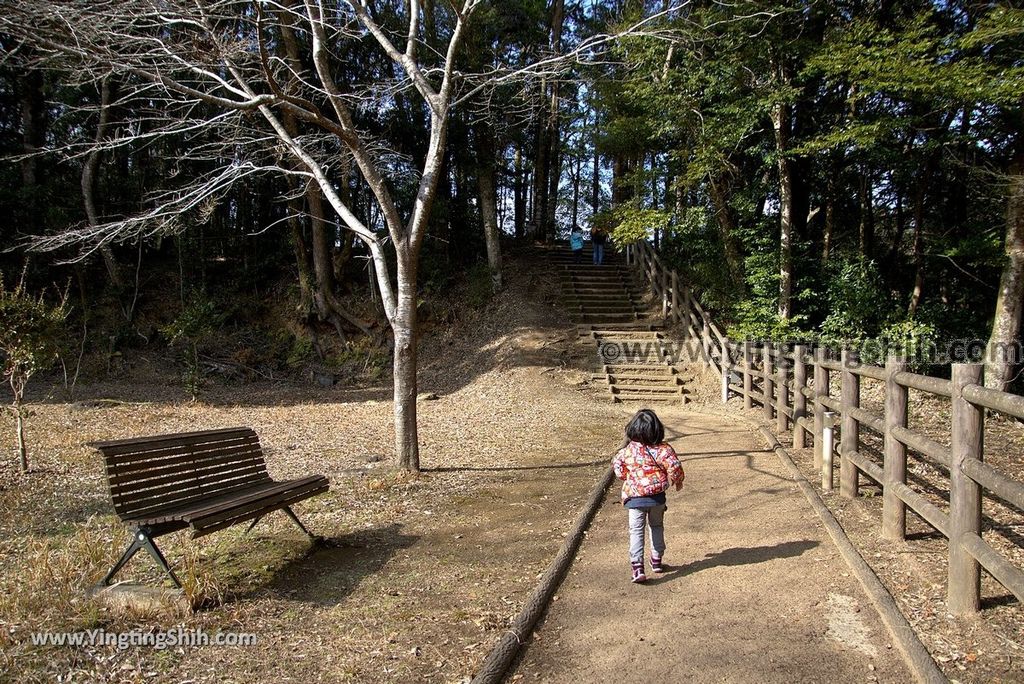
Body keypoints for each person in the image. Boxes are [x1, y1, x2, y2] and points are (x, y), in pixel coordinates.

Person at [612, 409, 685, 583]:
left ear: (633, 429)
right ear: (656, 429)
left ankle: (637, 568)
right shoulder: (663, 449)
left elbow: (618, 467)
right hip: (657, 498)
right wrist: (678, 480)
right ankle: (657, 559)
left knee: (636, 531)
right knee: (657, 526)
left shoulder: (627, 451)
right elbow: (674, 466)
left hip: (635, 498)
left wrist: (627, 477)